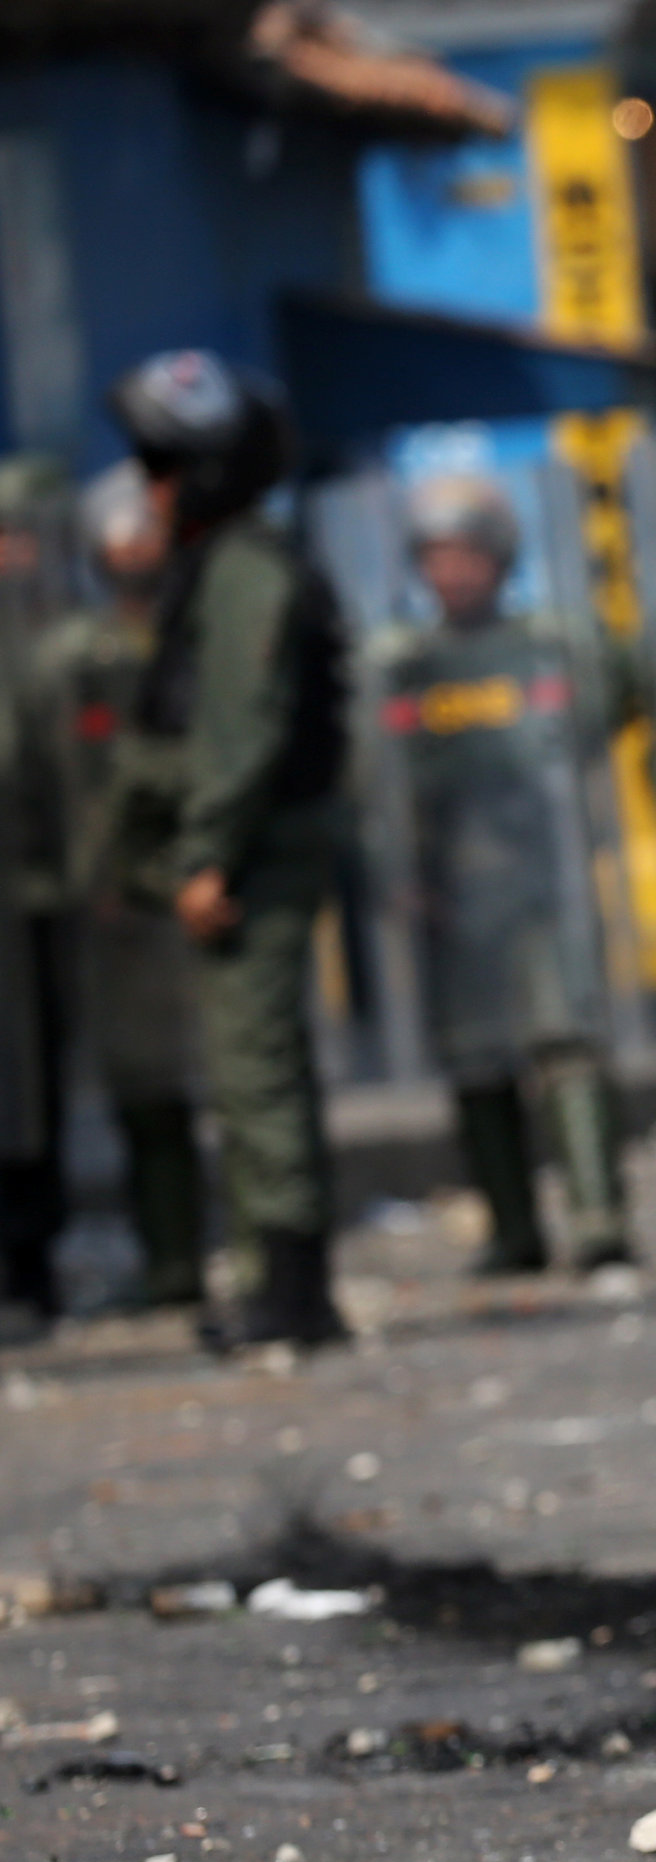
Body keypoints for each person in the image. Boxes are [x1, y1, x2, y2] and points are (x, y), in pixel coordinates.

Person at [110, 351, 352, 1352]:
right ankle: (278, 1282)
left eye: (164, 468)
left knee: (256, 1072)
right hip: (245, 848)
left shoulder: (247, 568)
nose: (149, 492)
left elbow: (240, 727)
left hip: (251, 856)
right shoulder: (223, 563)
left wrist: (205, 854)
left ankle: (288, 1294)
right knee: (251, 1067)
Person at [364, 470, 632, 1272]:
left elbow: (602, 712)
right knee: (477, 1061)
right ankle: (512, 1227)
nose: (452, 574)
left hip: (541, 880)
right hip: (454, 890)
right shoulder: (407, 664)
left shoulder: (547, 647)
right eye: (436, 558)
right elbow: (377, 782)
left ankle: (598, 1216)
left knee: (569, 1043)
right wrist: (398, 871)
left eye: (467, 556)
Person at [20, 463, 205, 1307]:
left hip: (195, 887)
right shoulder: (68, 658)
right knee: (128, 1086)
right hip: (100, 905)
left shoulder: (199, 638)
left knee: (220, 1078)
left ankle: (215, 1253)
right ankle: (164, 1258)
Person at [0, 452, 72, 1315]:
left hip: (59, 896)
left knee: (44, 1079)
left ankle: (34, 1253)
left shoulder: (72, 634)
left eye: (22, 539)